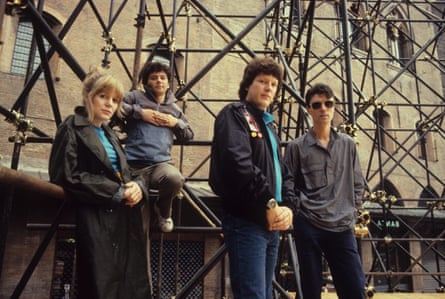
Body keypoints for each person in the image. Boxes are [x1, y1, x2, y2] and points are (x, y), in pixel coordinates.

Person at [49, 66, 151, 299]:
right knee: (101, 286)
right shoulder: (72, 127)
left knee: (131, 286)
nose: (109, 104)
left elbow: (126, 172)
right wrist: (116, 191)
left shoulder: (109, 134)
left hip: (125, 217)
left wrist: (139, 187)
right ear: (89, 96)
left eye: (115, 100)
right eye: (103, 96)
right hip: (97, 218)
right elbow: (65, 174)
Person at [209, 57, 293, 299]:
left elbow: (283, 173)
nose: (269, 88)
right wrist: (269, 202)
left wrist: (288, 207)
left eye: (274, 85)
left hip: (272, 224)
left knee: (265, 294)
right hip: (247, 220)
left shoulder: (269, 128)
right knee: (253, 294)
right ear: (248, 85)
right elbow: (238, 162)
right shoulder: (235, 114)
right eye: (262, 81)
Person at [283, 83, 367, 299]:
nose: (323, 109)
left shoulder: (348, 144)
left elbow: (358, 182)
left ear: (334, 106)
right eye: (317, 105)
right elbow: (287, 182)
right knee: (311, 289)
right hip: (310, 224)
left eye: (328, 104)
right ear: (309, 109)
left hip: (342, 226)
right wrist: (299, 211)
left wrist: (352, 210)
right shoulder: (296, 147)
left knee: (354, 288)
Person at [120, 61, 194, 233]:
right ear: (146, 82)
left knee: (175, 178)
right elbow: (117, 105)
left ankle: (163, 210)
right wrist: (140, 113)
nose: (159, 81)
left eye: (163, 78)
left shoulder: (174, 109)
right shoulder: (135, 97)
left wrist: (176, 123)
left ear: (168, 82)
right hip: (134, 165)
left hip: (160, 165)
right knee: (135, 218)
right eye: (154, 78)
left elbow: (189, 134)